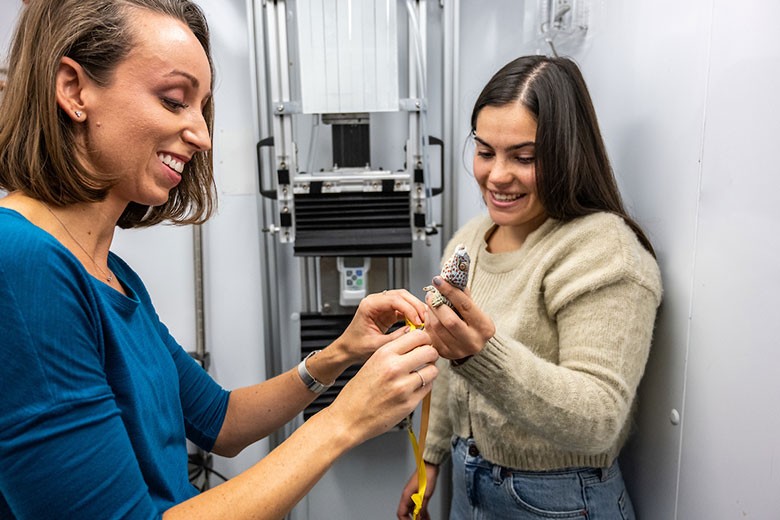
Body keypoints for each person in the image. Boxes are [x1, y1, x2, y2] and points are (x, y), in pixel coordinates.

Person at [0, 1, 439, 518]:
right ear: (74, 89)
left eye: (201, 108)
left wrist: (337, 355)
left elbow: (220, 420)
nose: (202, 135)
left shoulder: (111, 275)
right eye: (173, 100)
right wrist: (345, 419)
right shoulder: (20, 264)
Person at [397, 55, 663, 519]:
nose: (497, 176)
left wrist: (480, 354)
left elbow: (599, 418)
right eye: (484, 152)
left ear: (567, 154)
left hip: (558, 500)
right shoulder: (469, 242)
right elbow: (448, 368)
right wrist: (430, 461)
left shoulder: (604, 253)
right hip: (468, 483)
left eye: (524, 157)